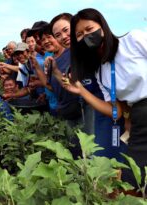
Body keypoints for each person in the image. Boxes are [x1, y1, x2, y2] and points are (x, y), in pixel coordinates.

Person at [63, 8, 147, 188]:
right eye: (79, 34)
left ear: (102, 26)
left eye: (89, 29)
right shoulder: (101, 71)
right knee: (133, 180)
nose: (86, 35)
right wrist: (81, 92)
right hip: (140, 117)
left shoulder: (133, 40)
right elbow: (116, 112)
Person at [50, 12, 126, 160]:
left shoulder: (97, 52)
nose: (63, 37)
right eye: (57, 35)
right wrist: (56, 72)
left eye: (66, 30)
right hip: (96, 115)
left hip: (110, 116)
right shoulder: (76, 58)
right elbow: (73, 86)